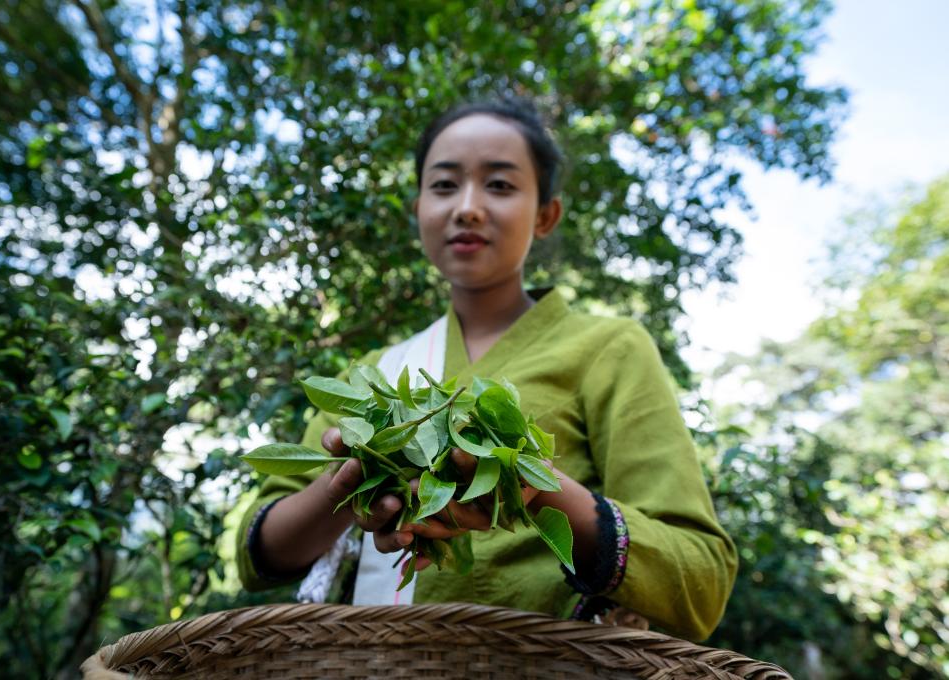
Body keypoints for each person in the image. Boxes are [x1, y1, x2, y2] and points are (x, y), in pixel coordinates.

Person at [236, 98, 737, 641]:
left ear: (546, 214)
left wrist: (532, 486)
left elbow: (699, 579)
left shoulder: (609, 348)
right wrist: (349, 484)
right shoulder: (375, 373)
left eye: (499, 185)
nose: (468, 208)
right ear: (419, 207)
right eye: (445, 185)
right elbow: (256, 555)